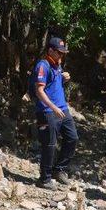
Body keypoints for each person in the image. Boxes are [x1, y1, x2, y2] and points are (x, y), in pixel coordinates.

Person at [33, 37, 79, 190]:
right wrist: (53, 107)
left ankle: (59, 170)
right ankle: (44, 179)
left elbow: (53, 85)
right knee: (50, 144)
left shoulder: (57, 65)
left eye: (63, 53)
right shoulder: (43, 65)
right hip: (48, 110)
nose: (61, 56)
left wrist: (63, 78)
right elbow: (39, 90)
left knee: (72, 138)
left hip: (62, 109)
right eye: (59, 53)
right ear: (50, 50)